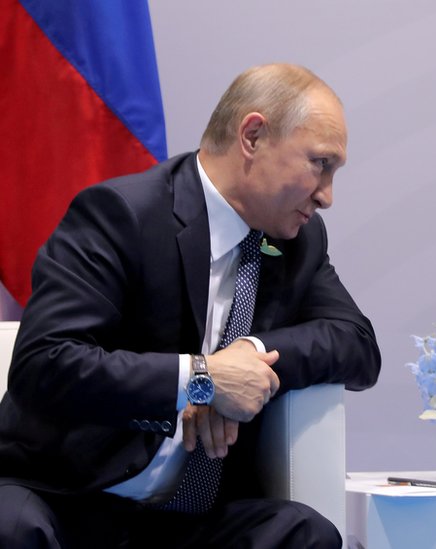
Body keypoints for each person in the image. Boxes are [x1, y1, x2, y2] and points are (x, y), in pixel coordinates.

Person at [0, 63, 381, 548]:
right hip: (68, 498)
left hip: (186, 522)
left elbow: (358, 345)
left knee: (306, 535)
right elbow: (44, 364)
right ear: (253, 136)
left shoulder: (296, 240)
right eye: (320, 164)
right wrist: (200, 380)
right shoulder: (121, 216)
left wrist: (247, 355)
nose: (327, 196)